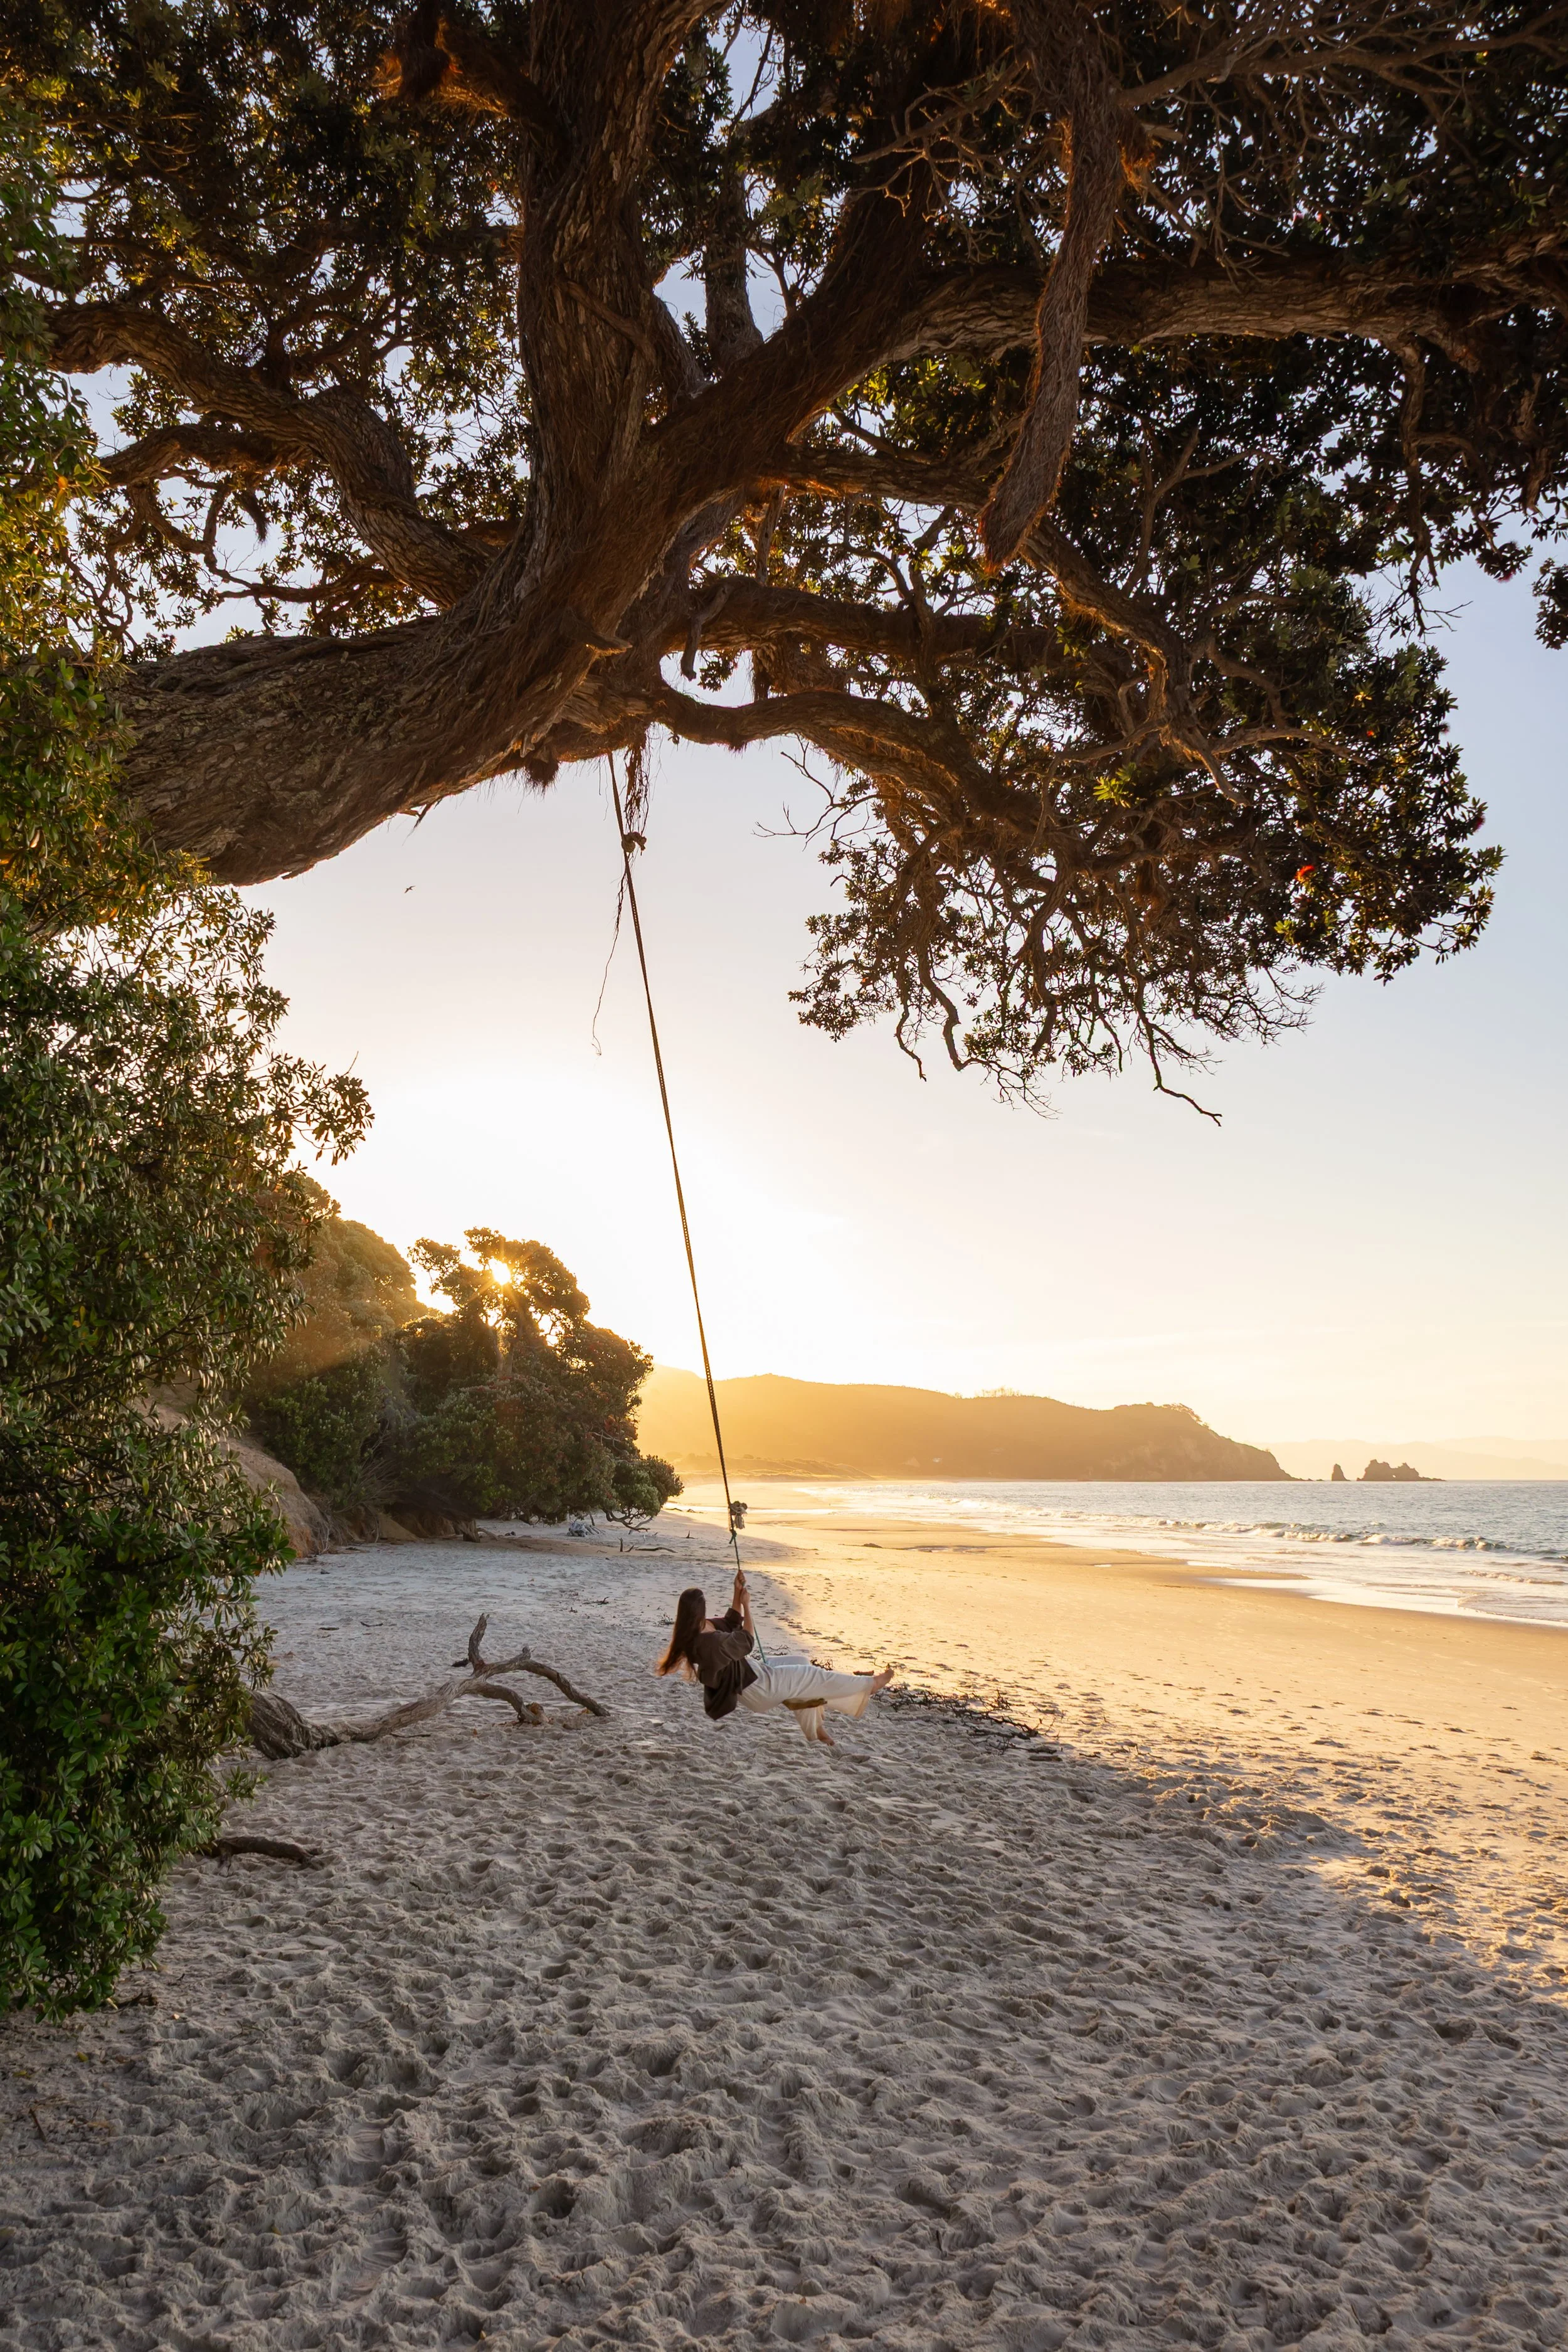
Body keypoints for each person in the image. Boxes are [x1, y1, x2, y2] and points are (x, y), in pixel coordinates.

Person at [657, 1567, 893, 1746]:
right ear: (701, 1610)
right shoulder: (708, 1643)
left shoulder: (698, 1629)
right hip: (758, 1688)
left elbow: (730, 1623)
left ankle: (816, 1728)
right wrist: (748, 1607)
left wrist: (737, 1593)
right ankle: (870, 1685)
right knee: (811, 1675)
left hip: (753, 1672)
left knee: (800, 1663)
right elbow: (746, 1640)